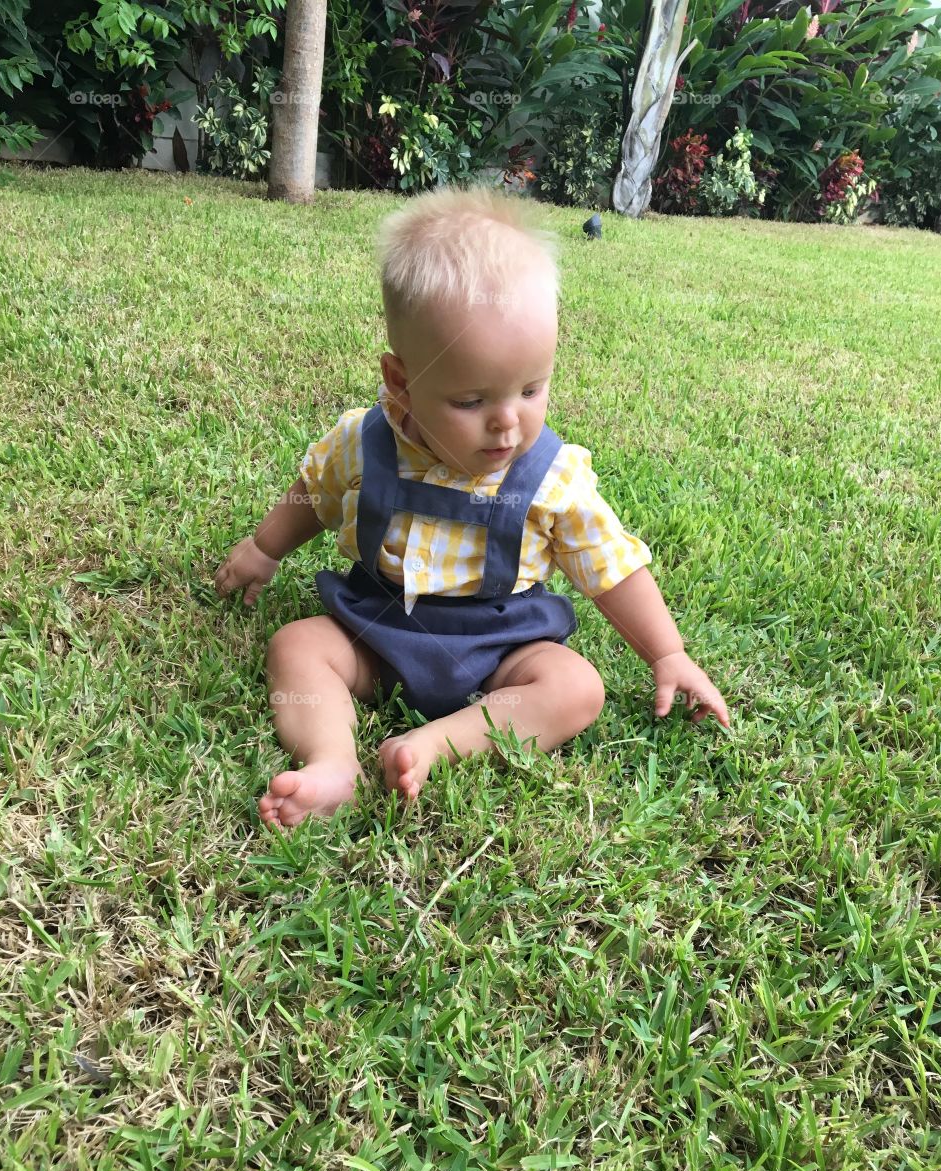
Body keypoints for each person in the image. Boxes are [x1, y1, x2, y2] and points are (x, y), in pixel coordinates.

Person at [215, 185, 730, 828]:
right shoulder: (365, 443)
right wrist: (264, 550)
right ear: (403, 381)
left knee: (577, 688)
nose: (507, 426)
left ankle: (437, 744)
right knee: (296, 646)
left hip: (500, 650)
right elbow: (314, 495)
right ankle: (332, 761)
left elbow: (611, 566)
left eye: (531, 389)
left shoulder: (551, 477)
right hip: (376, 632)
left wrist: (668, 655)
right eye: (471, 401)